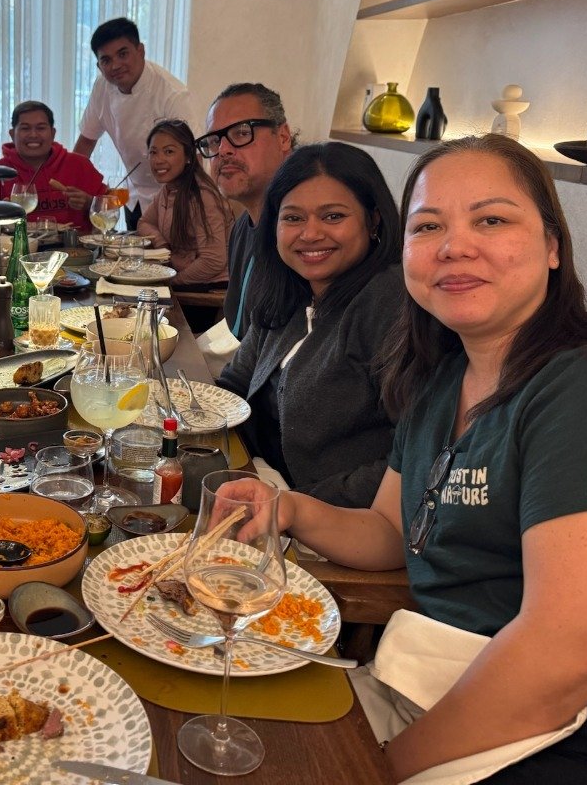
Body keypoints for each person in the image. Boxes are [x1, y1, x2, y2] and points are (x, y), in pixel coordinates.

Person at [230, 135, 587, 783]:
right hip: (430, 681)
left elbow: (572, 652)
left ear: (552, 245)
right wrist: (287, 509)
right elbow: (390, 529)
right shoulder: (438, 380)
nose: (454, 246)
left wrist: (376, 771)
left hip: (581, 733)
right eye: (429, 226)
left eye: (490, 220)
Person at [217, 142, 403, 506]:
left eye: (333, 216)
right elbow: (234, 384)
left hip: (331, 517)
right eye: (293, 218)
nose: (310, 233)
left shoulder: (389, 301)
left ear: (373, 219)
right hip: (253, 482)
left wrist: (296, 508)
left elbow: (413, 455)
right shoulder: (290, 290)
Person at [196, 82, 295, 344]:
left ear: (283, 137)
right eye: (214, 141)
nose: (223, 150)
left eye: (241, 133)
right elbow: (238, 331)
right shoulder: (243, 226)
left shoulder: (301, 235)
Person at [73, 17, 194, 229]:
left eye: (123, 54)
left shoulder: (172, 94)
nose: (115, 65)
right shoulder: (102, 87)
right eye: (106, 60)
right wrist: (74, 184)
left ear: (141, 51)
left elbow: (194, 158)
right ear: (99, 66)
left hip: (176, 199)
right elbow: (86, 142)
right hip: (134, 197)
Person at [135, 119, 231, 331]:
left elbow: (213, 260)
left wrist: (172, 280)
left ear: (188, 156)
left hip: (204, 293)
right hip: (185, 283)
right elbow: (144, 222)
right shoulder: (168, 190)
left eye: (169, 151)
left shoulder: (201, 196)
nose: (158, 160)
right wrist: (162, 244)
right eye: (153, 152)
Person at [0, 100, 107, 233]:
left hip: (74, 245)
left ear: (53, 133)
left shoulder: (79, 165)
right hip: (13, 246)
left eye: (41, 128)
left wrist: (90, 203)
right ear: (12, 134)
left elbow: (110, 210)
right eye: (25, 128)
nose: (33, 135)